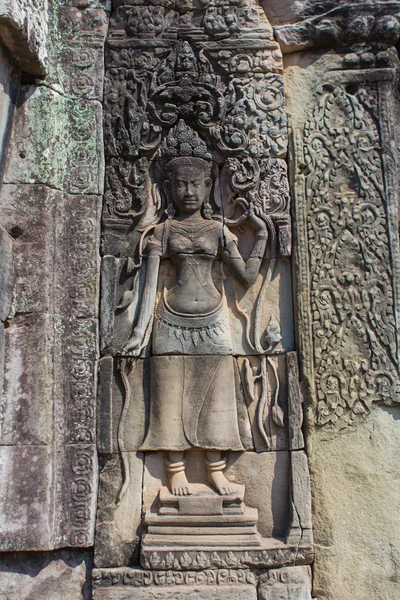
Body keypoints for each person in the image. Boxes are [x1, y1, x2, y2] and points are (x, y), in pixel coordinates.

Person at [122, 156, 268, 496]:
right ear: (169, 190)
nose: (188, 191)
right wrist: (138, 333)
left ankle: (215, 471)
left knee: (217, 396)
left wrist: (259, 235)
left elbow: (245, 277)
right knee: (169, 397)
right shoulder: (163, 231)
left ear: (207, 188)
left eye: (195, 184)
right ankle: (175, 471)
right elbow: (149, 287)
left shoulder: (218, 230)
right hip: (170, 320)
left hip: (214, 320)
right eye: (180, 185)